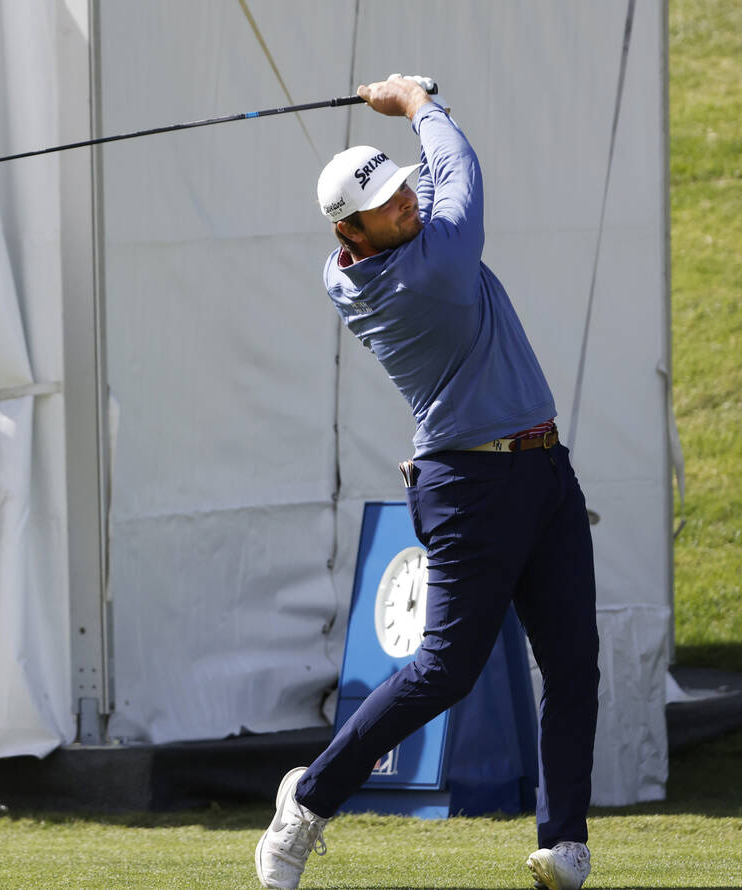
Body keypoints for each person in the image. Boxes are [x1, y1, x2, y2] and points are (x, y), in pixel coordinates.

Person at [254, 76, 600, 890]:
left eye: (403, 187)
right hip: (473, 484)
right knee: (446, 666)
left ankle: (564, 842)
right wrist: (416, 103)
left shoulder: (358, 266)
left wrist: (413, 141)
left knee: (575, 662)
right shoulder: (434, 268)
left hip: (543, 467)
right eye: (385, 202)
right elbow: (462, 175)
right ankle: (306, 800)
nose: (405, 201)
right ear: (354, 232)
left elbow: (438, 185)